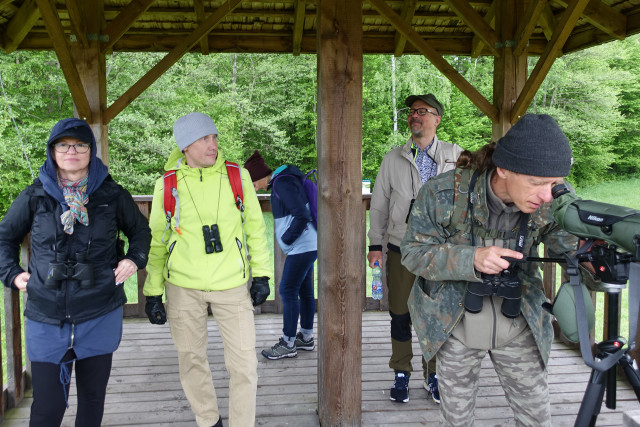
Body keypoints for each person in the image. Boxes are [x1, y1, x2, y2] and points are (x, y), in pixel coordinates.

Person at [400, 114, 600, 426]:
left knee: (536, 416)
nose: (547, 195)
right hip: (453, 319)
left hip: (519, 318)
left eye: (555, 183)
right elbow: (413, 253)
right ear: (503, 169)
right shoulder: (443, 194)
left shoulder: (554, 198)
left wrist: (596, 257)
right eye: (536, 183)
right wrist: (472, 258)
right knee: (456, 419)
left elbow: (573, 249)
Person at [0, 118, 151, 427]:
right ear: (52, 151)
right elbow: (4, 237)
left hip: (100, 310)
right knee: (48, 407)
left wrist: (133, 260)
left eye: (80, 144)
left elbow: (141, 233)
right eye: (63, 145)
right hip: (46, 315)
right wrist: (12, 274)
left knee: (93, 400)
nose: (72, 151)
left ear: (91, 151)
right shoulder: (35, 195)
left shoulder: (111, 194)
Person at [143, 113, 271, 427]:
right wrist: (152, 293)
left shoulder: (236, 176)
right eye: (204, 139)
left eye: (213, 137)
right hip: (183, 288)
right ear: (185, 145)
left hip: (232, 285)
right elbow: (158, 241)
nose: (212, 145)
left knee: (244, 365)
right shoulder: (167, 184)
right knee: (191, 360)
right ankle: (208, 420)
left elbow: (255, 229)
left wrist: (263, 275)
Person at [367, 93, 463, 404]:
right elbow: (379, 206)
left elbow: (469, 201)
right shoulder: (393, 158)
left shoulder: (455, 156)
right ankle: (401, 372)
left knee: (437, 316)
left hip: (441, 251)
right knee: (399, 313)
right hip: (400, 248)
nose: (415, 116)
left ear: (437, 118)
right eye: (411, 111)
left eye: (423, 111)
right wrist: (374, 245)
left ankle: (433, 373)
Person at [243, 150, 318, 360]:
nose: (252, 187)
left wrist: (287, 238)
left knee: (287, 289)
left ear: (259, 176)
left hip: (302, 245)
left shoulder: (281, 183)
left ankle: (288, 343)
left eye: (252, 182)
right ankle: (306, 337)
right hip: (308, 243)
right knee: (304, 290)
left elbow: (302, 214)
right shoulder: (283, 181)